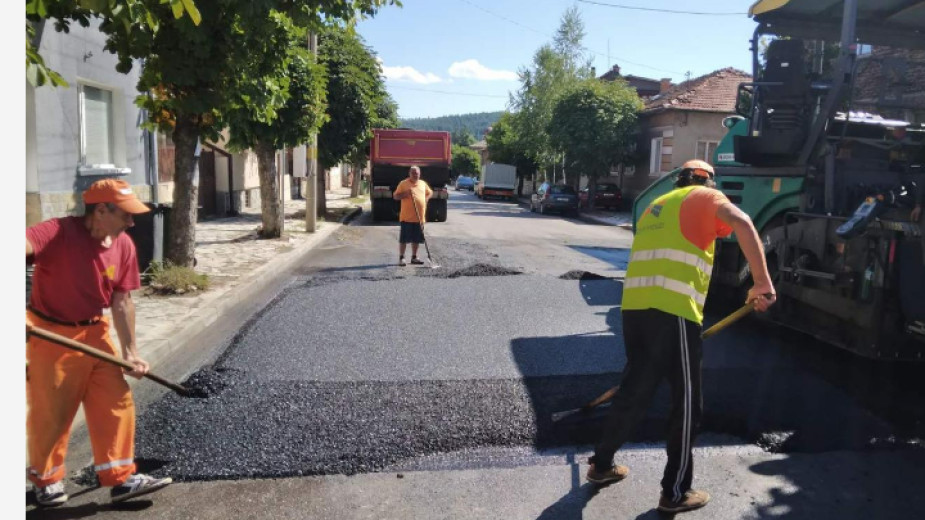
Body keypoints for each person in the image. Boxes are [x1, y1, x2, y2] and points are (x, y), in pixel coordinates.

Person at [585, 159, 776, 514]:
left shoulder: (656, 208)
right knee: (687, 404)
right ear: (707, 181)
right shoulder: (705, 197)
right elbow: (742, 222)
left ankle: (601, 465)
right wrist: (762, 282)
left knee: (634, 392)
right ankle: (674, 493)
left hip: (635, 309)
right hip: (673, 311)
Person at [26, 179, 172, 507]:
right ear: (101, 210)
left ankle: (120, 477)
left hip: (95, 332)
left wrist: (131, 352)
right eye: (126, 215)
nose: (132, 222)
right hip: (51, 335)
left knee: (117, 401)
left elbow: (122, 302)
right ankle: (45, 480)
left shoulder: (124, 246)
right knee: (53, 414)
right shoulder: (57, 232)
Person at [392, 165, 433, 266]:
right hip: (406, 218)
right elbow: (395, 196)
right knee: (404, 239)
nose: (415, 175)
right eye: (413, 173)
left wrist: (426, 199)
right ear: (409, 174)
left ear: (420, 174)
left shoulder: (423, 183)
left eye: (417, 173)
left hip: (419, 218)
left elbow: (430, 192)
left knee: (416, 239)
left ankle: (414, 257)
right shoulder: (403, 184)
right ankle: (402, 258)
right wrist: (405, 194)